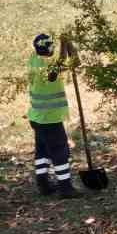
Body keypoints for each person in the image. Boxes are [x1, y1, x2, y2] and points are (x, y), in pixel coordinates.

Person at [27, 34, 78, 198]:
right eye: (52, 47)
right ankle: (65, 188)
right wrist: (65, 44)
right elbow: (62, 66)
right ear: (49, 49)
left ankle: (43, 186)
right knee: (60, 151)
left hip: (36, 117)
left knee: (42, 151)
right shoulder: (48, 68)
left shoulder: (33, 59)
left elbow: (70, 62)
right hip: (49, 119)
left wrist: (68, 45)